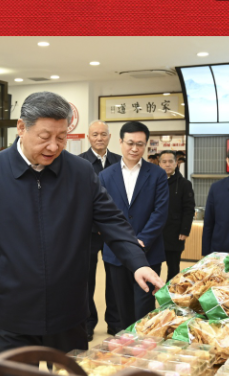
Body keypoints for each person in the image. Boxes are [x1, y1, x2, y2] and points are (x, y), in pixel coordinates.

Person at [0, 92, 163, 370]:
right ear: (21, 127)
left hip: (68, 308)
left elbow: (112, 221)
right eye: (44, 137)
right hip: (14, 310)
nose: (54, 146)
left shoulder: (80, 172)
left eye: (61, 137)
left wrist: (138, 262)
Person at [99, 121, 169, 330]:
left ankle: (144, 343)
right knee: (121, 305)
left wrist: (142, 240)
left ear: (146, 145)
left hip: (149, 250)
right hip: (116, 252)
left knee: (144, 305)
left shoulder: (157, 174)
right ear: (120, 142)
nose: (134, 148)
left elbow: (160, 212)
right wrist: (125, 242)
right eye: (130, 143)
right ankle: (126, 342)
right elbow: (102, 213)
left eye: (140, 144)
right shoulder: (105, 175)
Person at [78, 120, 120, 340]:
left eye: (103, 134)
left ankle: (115, 322)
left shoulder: (120, 162)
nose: (99, 138)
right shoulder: (79, 163)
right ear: (88, 137)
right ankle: (87, 322)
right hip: (88, 231)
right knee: (86, 279)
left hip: (113, 230)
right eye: (95, 134)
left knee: (115, 278)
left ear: (109, 137)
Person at [159, 150, 195, 281]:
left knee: (173, 267)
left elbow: (189, 209)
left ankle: (171, 292)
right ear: (159, 164)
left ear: (176, 163)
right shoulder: (153, 182)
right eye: (164, 162)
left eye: (170, 161)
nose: (167, 164)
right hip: (156, 232)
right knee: (152, 266)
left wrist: (185, 230)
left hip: (175, 232)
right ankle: (151, 292)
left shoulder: (184, 184)